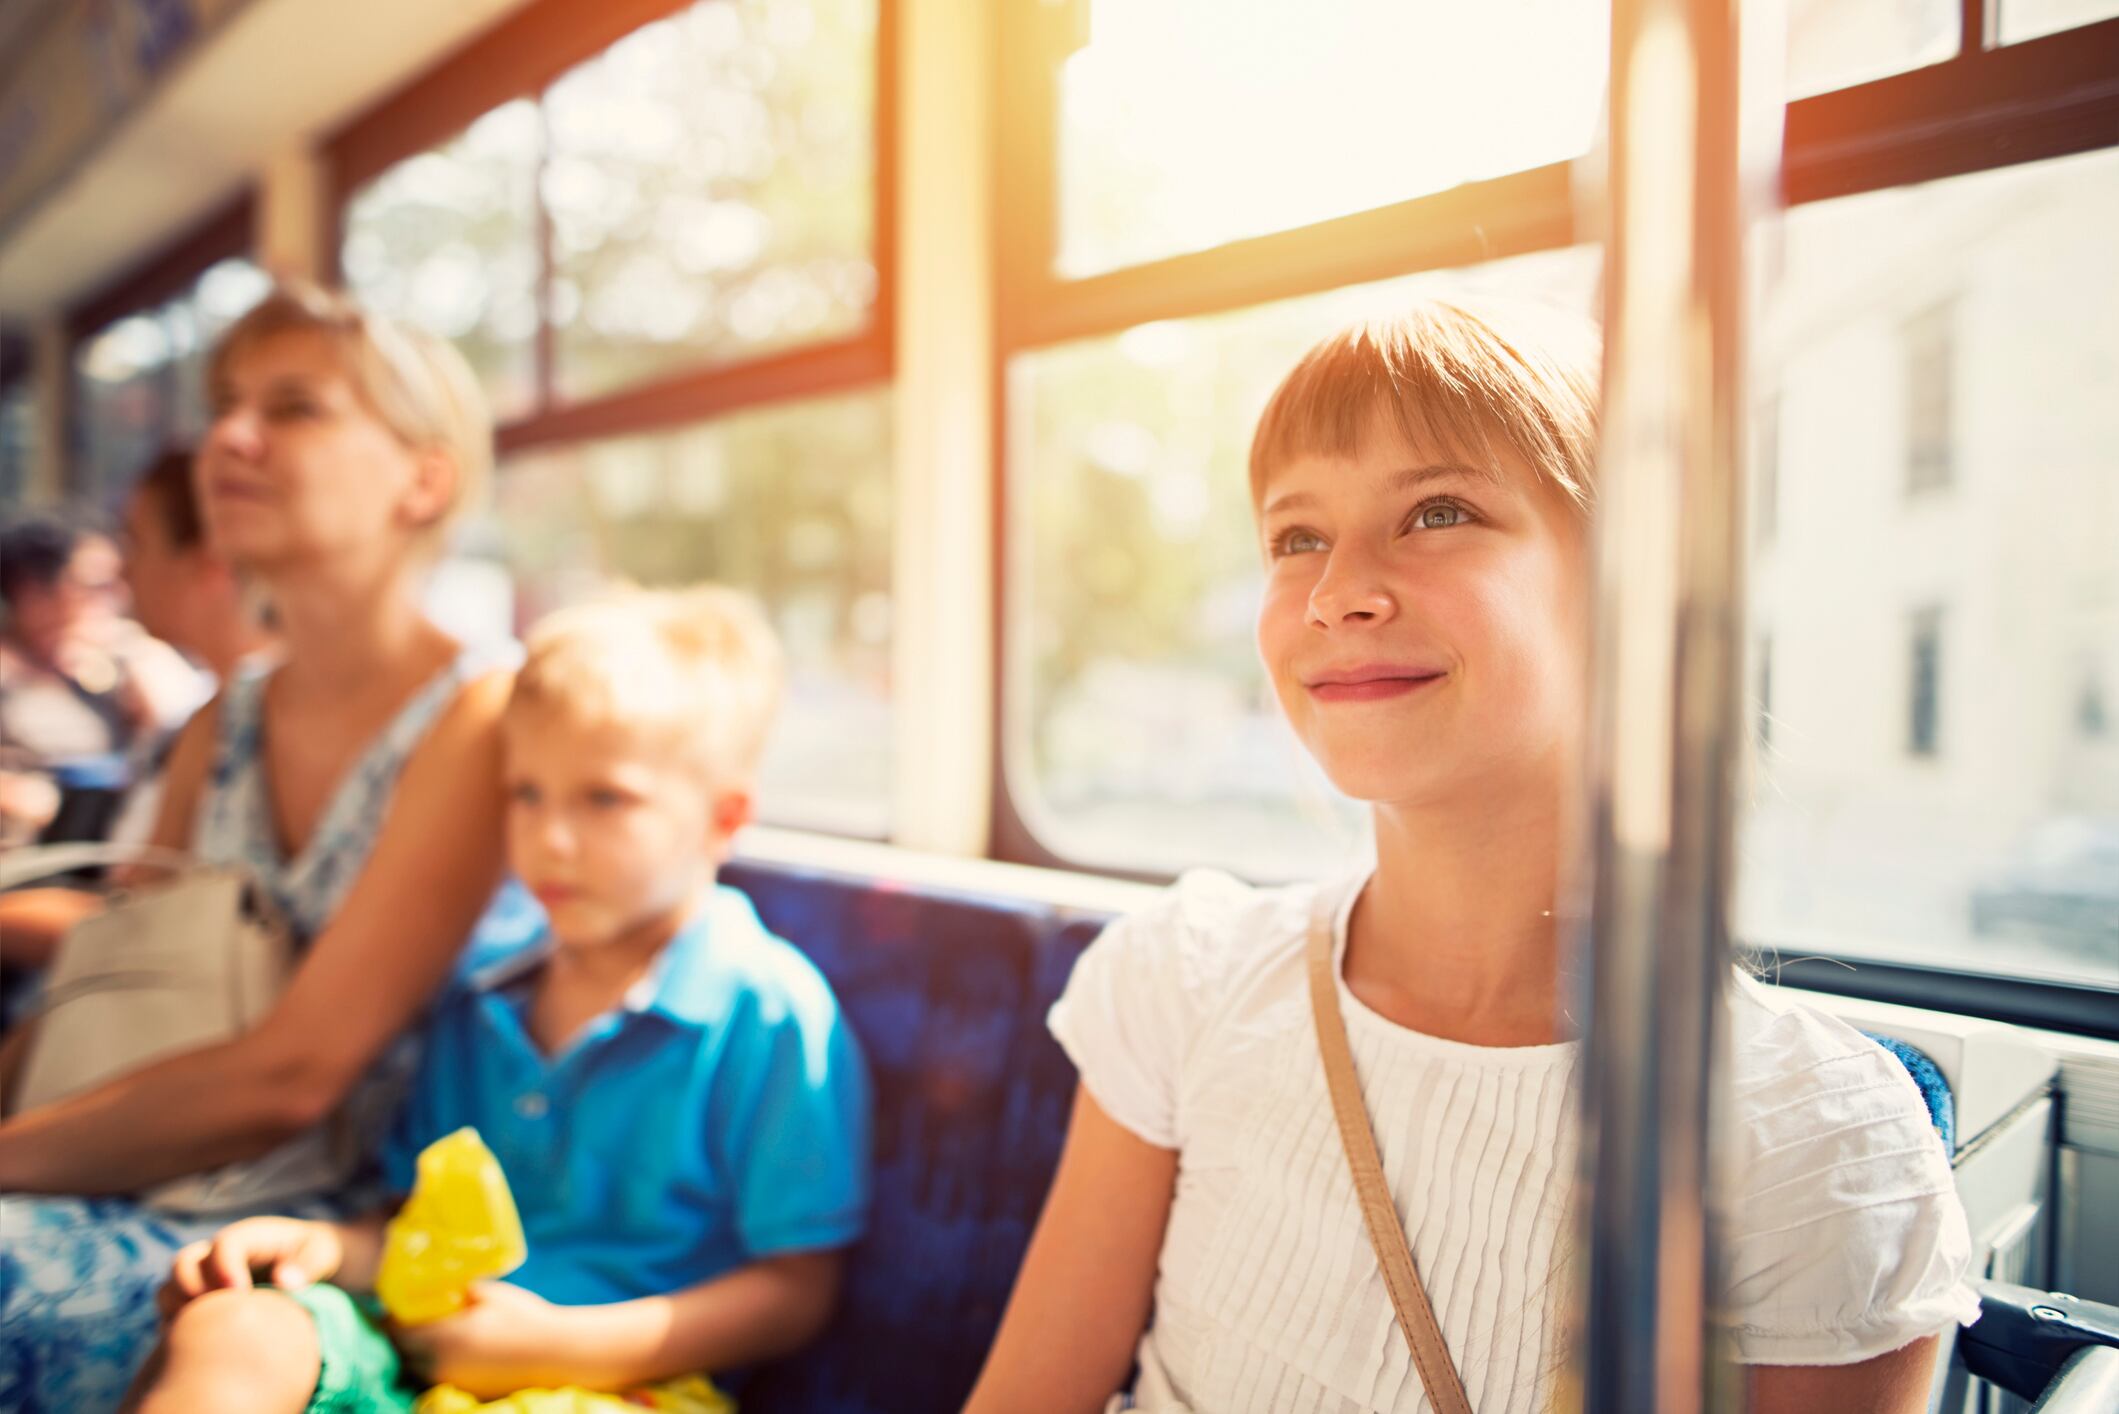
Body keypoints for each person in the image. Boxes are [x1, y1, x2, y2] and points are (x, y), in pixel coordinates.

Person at [964, 301, 1977, 1414]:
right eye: (1295, 536)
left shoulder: (1812, 1148)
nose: (1337, 588)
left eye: (1436, 512)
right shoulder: (1188, 979)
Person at [126, 586, 872, 1414]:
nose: (549, 838)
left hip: (627, 1383)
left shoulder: (766, 1012)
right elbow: (415, 1224)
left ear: (722, 818)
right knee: (231, 1332)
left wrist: (562, 1347)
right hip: (422, 1345)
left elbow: (795, 1290)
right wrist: (325, 1249)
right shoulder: (481, 998)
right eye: (526, 794)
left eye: (604, 799)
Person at [0, 280, 518, 1414]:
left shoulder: (478, 716)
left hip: (326, 1232)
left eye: (295, 408)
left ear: (422, 478)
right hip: (158, 1177)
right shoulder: (221, 723)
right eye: (226, 403)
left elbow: (297, 1074)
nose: (226, 437)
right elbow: (117, 986)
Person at [0, 449, 279, 975]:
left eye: (136, 543)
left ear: (211, 563)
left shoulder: (221, 713)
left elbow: (137, 922)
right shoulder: (214, 713)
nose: (123, 574)